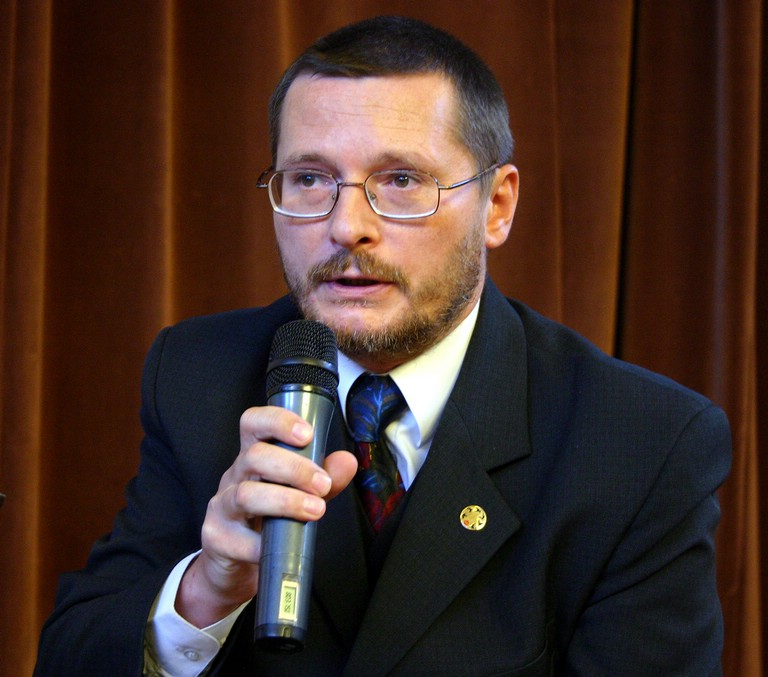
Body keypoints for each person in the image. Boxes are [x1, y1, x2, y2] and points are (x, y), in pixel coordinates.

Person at [35, 15, 731, 676]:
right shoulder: (198, 377)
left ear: (497, 205)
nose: (347, 227)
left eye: (400, 181)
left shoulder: (643, 443)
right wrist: (203, 592)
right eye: (310, 179)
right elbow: (71, 654)